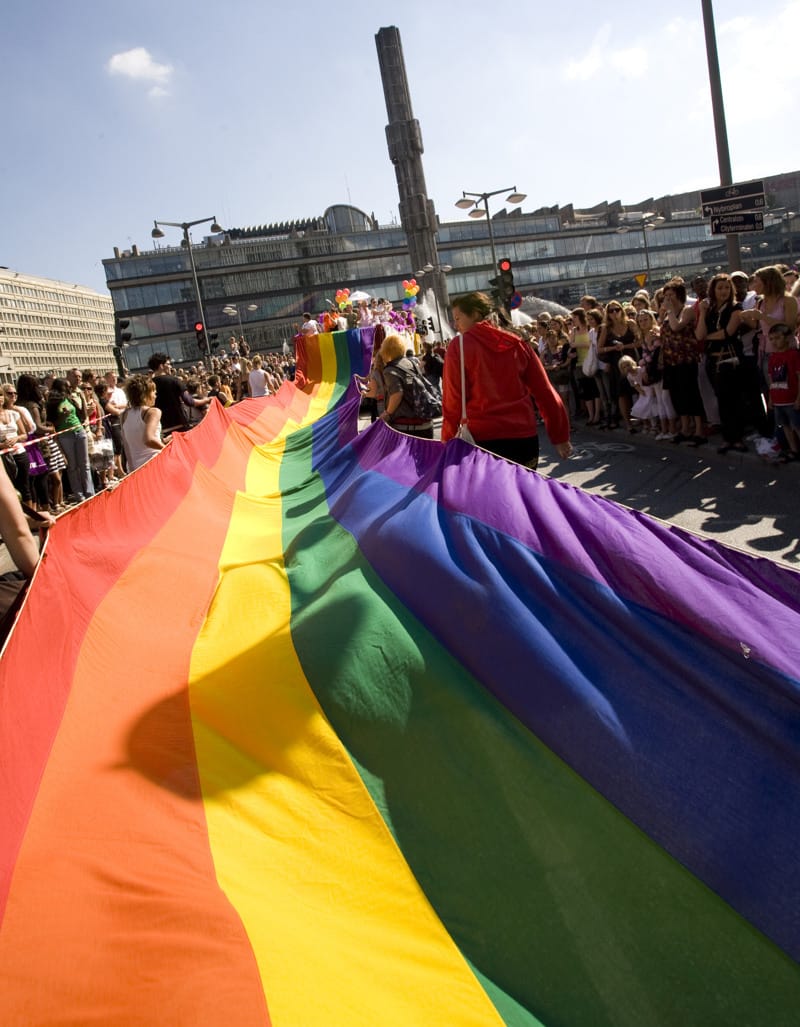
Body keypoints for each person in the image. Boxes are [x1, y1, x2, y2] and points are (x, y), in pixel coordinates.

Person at [441, 292, 571, 469]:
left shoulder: (459, 346)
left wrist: (447, 442)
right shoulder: (516, 343)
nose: (455, 325)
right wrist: (560, 436)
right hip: (523, 437)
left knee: (489, 496)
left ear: (475, 314)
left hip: (483, 438)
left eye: (458, 318)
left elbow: (452, 401)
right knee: (523, 494)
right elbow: (544, 391)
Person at [695, 273, 748, 454]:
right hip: (713, 360)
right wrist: (701, 313)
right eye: (719, 288)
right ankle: (728, 438)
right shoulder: (709, 310)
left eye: (726, 287)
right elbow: (699, 335)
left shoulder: (735, 307)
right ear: (713, 290)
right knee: (722, 400)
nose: (723, 291)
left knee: (734, 400)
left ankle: (738, 438)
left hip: (730, 358)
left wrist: (709, 337)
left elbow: (728, 332)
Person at [45, 378, 95, 503]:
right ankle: (79, 495)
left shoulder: (70, 398)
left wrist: (83, 401)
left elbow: (81, 414)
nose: (68, 388)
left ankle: (90, 493)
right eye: (65, 386)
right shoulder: (53, 403)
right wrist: (62, 416)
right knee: (72, 466)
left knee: (84, 464)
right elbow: (52, 423)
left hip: (79, 430)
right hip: (65, 435)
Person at [379, 334, 438, 438]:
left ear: (386, 350)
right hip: (425, 422)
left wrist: (387, 414)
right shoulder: (412, 363)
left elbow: (397, 394)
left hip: (406, 427)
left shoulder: (390, 370)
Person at [766, 323, 800, 463]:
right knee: (785, 425)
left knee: (797, 425)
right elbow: (771, 380)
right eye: (771, 339)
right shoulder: (772, 357)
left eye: (778, 338)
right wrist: (770, 398)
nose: (774, 341)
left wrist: (799, 398)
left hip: (792, 399)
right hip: (778, 399)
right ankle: (793, 450)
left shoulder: (794, 355)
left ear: (786, 338)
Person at [121, 375, 167, 471]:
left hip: (134, 467)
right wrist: (168, 449)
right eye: (153, 391)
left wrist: (131, 468)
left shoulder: (124, 415)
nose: (155, 395)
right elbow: (148, 439)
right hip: (154, 463)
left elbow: (126, 445)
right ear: (146, 393)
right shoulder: (153, 412)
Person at [148, 353, 189, 434]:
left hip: (160, 428)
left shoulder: (147, 385)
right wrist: (207, 400)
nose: (170, 366)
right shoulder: (174, 380)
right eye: (168, 364)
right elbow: (189, 401)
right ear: (161, 366)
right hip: (179, 424)